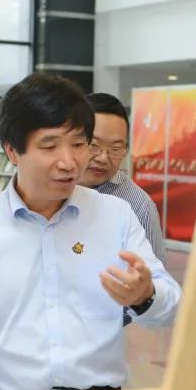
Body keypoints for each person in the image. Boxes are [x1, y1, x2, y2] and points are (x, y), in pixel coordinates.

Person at [0, 73, 182, 390]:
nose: (69, 161)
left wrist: (145, 296)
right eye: (49, 146)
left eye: (78, 144)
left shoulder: (116, 215)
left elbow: (171, 310)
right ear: (12, 150)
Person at [78, 92, 167, 266]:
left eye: (116, 148)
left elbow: (154, 274)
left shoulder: (139, 205)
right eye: (94, 145)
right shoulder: (50, 192)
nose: (103, 158)